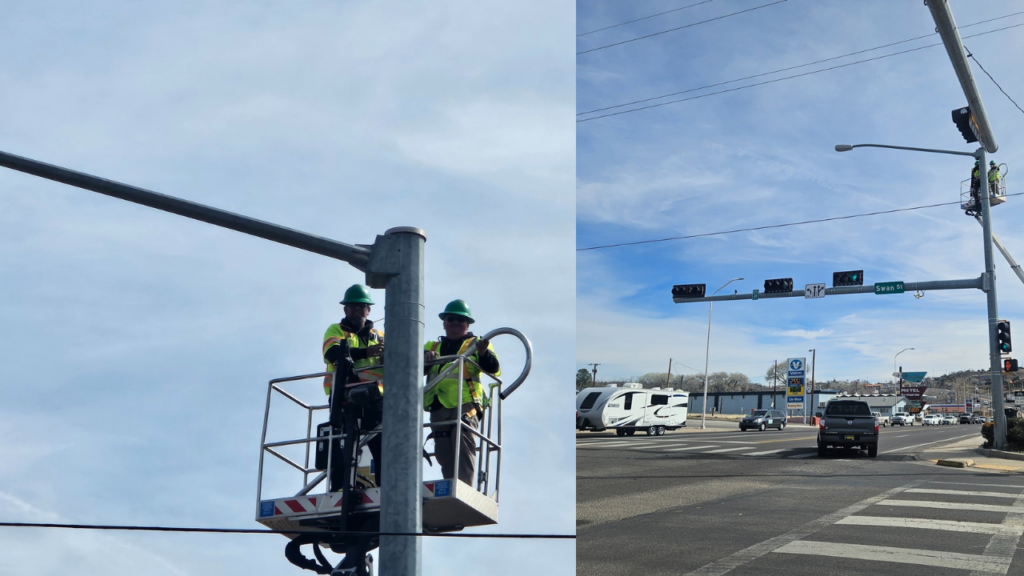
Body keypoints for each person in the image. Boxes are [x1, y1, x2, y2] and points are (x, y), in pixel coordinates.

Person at [423, 299, 500, 486]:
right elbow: (414, 370)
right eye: (451, 319)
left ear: (467, 324)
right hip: (438, 405)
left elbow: (494, 368)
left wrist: (482, 354)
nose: (455, 323)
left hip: (465, 404)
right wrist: (425, 359)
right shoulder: (431, 347)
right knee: (443, 452)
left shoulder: (477, 344)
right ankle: (450, 486)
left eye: (460, 320)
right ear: (444, 323)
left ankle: (464, 489)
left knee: (463, 445)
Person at [323, 284, 384, 487]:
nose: (357, 309)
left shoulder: (381, 336)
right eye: (352, 306)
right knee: (342, 441)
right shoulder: (336, 330)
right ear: (345, 309)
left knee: (379, 440)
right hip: (344, 393)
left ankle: (386, 485)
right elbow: (333, 354)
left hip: (375, 395)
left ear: (369, 310)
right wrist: (365, 353)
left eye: (361, 306)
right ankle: (340, 487)